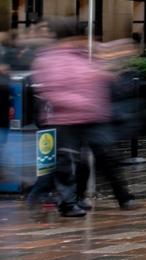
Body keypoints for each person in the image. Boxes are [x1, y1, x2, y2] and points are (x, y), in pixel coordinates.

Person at [30, 23, 130, 215]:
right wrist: (83, 103)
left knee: (101, 158)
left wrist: (106, 76)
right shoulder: (53, 59)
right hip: (64, 119)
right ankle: (65, 202)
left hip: (92, 117)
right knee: (66, 162)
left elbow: (96, 80)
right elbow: (53, 90)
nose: (88, 41)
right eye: (84, 37)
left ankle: (116, 197)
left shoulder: (83, 56)